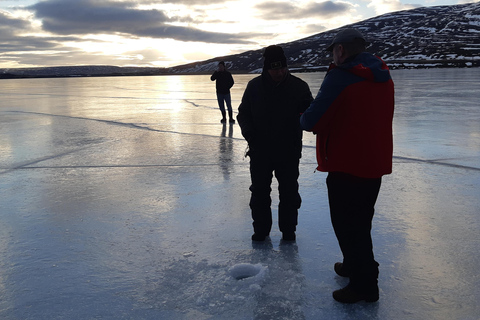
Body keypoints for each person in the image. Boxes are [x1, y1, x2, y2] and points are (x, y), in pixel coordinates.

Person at [300, 28, 394, 303]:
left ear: (340, 50)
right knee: (361, 221)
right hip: (374, 161)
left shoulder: (340, 77)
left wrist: (301, 116)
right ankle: (355, 265)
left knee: (347, 224)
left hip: (346, 163)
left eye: (333, 51)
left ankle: (365, 284)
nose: (333, 55)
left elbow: (311, 121)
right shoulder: (383, 75)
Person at [237, 45, 313, 242]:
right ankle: (261, 231)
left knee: (289, 193)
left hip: (289, 151)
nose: (279, 72)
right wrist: (249, 133)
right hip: (259, 150)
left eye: (282, 68)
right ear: (266, 68)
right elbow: (243, 113)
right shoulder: (254, 87)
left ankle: (289, 231)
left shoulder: (299, 87)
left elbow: (310, 115)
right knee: (259, 193)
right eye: (274, 69)